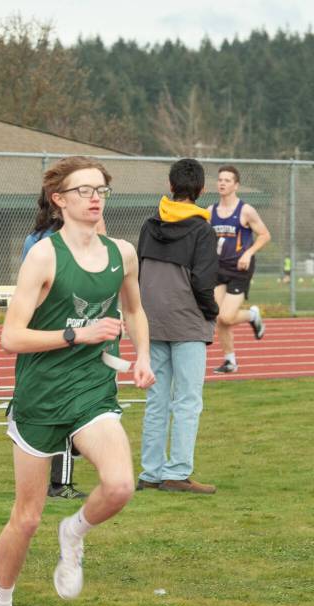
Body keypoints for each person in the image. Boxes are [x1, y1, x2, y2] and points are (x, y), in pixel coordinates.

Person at [0, 157, 155, 606]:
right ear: (59, 199)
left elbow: (135, 310)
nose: (95, 198)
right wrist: (76, 333)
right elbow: (12, 336)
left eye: (101, 190)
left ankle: (74, 530)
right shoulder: (43, 257)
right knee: (26, 518)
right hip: (40, 394)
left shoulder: (122, 253)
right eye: (84, 190)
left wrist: (142, 357)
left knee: (120, 484)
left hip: (92, 390)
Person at [136, 159, 219, 495]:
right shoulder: (202, 229)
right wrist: (211, 311)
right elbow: (203, 280)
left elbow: (138, 270)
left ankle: (150, 473)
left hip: (150, 321)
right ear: (200, 191)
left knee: (157, 400)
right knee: (186, 401)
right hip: (188, 322)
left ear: (170, 186)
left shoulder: (148, 224)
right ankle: (177, 472)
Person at [22, 194, 108, 501]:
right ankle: (61, 482)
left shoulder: (35, 239)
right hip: (64, 336)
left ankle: (58, 473)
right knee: (68, 407)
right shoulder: (50, 245)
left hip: (52, 335)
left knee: (60, 407)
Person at [210, 165, 270, 373]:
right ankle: (230, 361)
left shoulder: (245, 210)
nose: (222, 183)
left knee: (227, 317)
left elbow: (264, 235)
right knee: (217, 315)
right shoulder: (210, 211)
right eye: (220, 179)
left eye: (227, 180)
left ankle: (253, 316)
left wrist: (248, 253)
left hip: (239, 269)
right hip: (218, 268)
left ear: (236, 185)